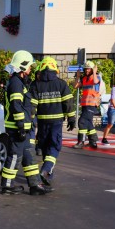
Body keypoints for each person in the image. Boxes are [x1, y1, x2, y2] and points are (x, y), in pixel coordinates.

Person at [1, 50, 51, 196]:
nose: (31, 70)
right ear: (23, 67)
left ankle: (34, 185)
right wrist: (21, 126)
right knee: (15, 156)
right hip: (17, 128)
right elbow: (16, 105)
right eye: (29, 66)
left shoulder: (20, 82)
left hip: (24, 127)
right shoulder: (16, 83)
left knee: (29, 156)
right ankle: (7, 185)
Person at [30, 56, 76, 185]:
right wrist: (71, 118)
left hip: (43, 122)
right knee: (54, 146)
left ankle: (48, 174)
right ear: (54, 68)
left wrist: (29, 121)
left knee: (45, 147)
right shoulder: (61, 83)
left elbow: (32, 106)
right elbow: (68, 102)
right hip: (56, 122)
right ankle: (46, 170)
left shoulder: (36, 84)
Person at [73, 60, 101, 149]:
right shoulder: (84, 79)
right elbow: (75, 86)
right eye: (85, 69)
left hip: (92, 104)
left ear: (92, 69)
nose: (86, 71)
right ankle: (93, 142)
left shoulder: (96, 77)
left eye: (88, 69)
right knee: (88, 123)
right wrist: (77, 77)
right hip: (85, 104)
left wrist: (95, 72)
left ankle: (81, 142)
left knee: (82, 121)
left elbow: (96, 82)